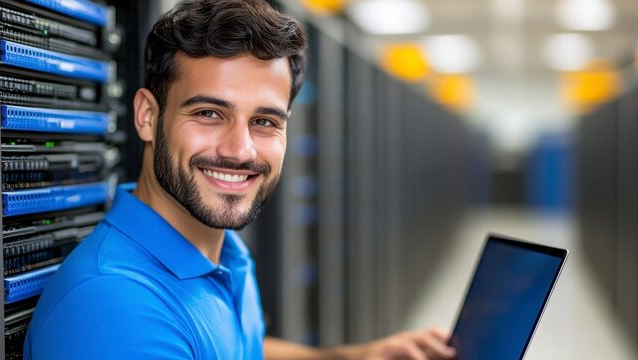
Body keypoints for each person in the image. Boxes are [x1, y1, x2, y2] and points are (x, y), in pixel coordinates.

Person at [23, 0, 457, 359]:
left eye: (265, 121)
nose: (240, 150)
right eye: (209, 114)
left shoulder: (220, 249)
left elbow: (236, 349)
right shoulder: (113, 307)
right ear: (147, 116)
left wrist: (358, 357)